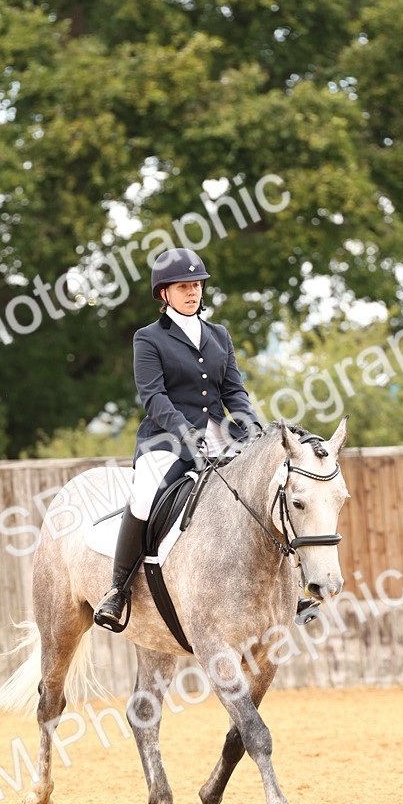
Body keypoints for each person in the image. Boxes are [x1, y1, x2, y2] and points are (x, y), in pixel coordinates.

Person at [94, 246, 262, 631]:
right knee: (143, 496)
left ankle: (290, 581)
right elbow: (154, 397)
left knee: (266, 485)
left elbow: (234, 391)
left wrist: (253, 428)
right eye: (183, 286)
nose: (192, 292)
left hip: (219, 436)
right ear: (164, 294)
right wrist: (186, 434)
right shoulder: (148, 339)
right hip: (166, 439)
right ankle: (118, 590)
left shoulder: (219, 335)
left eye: (197, 285)